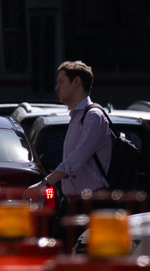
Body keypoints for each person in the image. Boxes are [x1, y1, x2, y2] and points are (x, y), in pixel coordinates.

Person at [35, 59, 112, 203]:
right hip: (74, 203)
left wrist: (44, 183)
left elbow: (74, 162)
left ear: (76, 82)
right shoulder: (77, 117)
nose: (57, 87)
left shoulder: (93, 116)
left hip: (92, 204)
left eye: (61, 82)